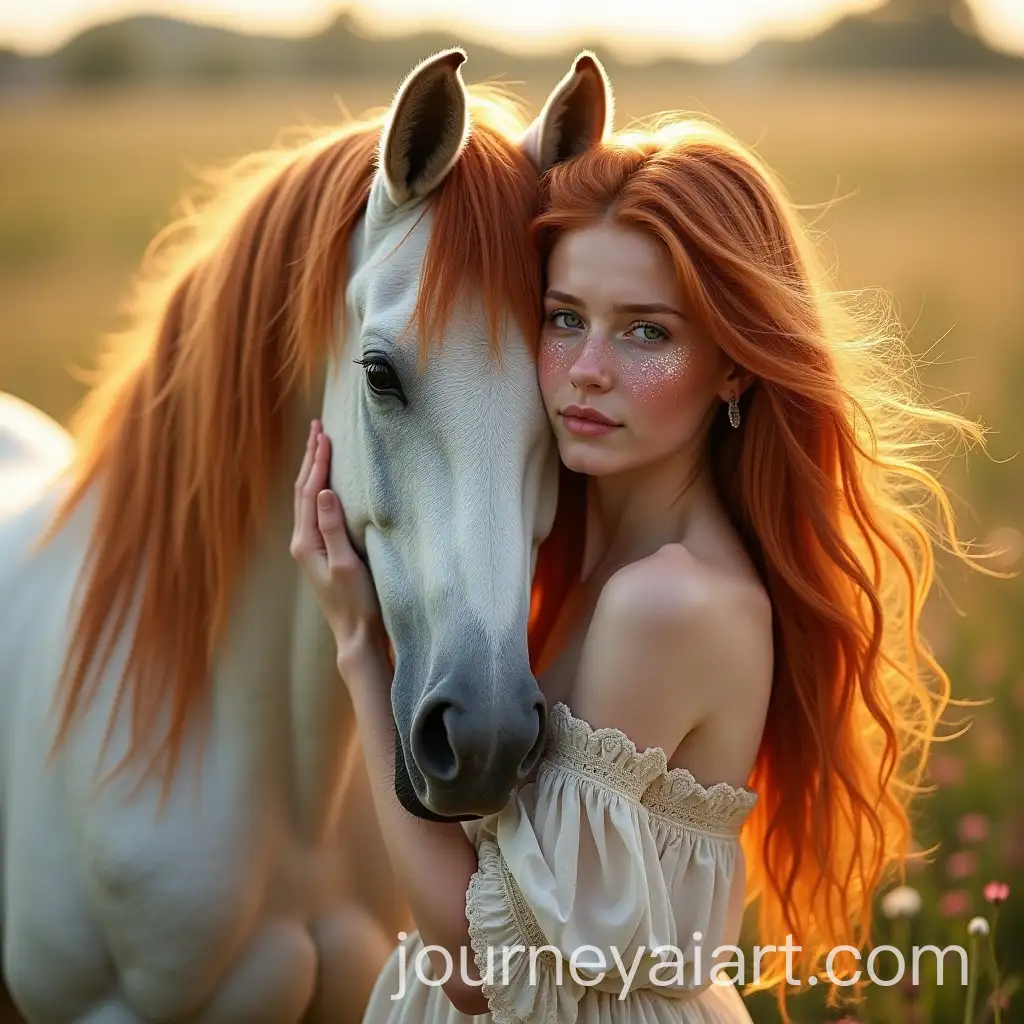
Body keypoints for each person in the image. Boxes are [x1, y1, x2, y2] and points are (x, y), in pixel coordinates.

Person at [290, 116, 984, 1022]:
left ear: (734, 368)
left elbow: (479, 972)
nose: (585, 371)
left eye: (646, 335)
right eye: (565, 318)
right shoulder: (591, 556)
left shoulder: (666, 605)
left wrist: (356, 642)